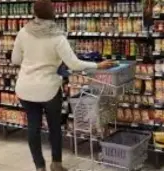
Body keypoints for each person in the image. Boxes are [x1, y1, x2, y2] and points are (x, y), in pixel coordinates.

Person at [11, 0, 114, 170]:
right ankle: (56, 164)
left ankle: (39, 167)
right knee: (54, 127)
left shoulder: (23, 32)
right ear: (53, 14)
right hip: (48, 90)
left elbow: (15, 60)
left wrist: (33, 61)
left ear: (34, 13)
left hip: (25, 88)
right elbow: (74, 64)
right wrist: (97, 65)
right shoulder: (57, 36)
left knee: (33, 127)